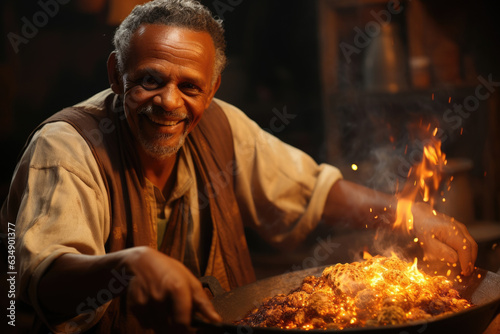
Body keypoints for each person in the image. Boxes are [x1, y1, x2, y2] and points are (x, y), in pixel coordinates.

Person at [0, 0, 478, 333]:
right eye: (149, 80)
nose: (169, 102)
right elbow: (34, 282)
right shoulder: (65, 147)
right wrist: (127, 266)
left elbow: (310, 190)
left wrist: (406, 212)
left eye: (190, 87)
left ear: (212, 89)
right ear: (114, 75)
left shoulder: (223, 126)